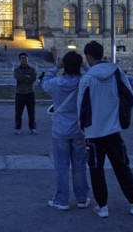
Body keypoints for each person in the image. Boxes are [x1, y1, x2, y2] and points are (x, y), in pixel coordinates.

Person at [77, 40, 133, 218]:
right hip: (113, 130)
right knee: (122, 167)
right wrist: (120, 117)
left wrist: (83, 129)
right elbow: (130, 97)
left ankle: (102, 207)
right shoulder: (116, 72)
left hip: (93, 133)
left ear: (89, 57)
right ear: (102, 54)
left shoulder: (87, 79)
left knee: (96, 169)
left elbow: (81, 108)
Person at [42, 52, 90, 211]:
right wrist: (85, 65)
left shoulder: (56, 83)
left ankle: (62, 200)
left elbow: (44, 82)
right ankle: (82, 198)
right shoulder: (85, 82)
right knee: (79, 165)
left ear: (64, 65)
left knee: (61, 166)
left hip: (61, 130)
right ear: (79, 65)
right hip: (79, 130)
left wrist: (56, 67)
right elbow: (95, 78)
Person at [14, 52, 37, 135]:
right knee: (18, 112)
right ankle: (18, 127)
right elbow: (18, 77)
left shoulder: (32, 69)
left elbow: (33, 78)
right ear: (19, 60)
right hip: (19, 93)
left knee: (32, 112)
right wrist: (27, 77)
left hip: (30, 93)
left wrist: (24, 77)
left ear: (28, 59)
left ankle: (33, 128)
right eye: (22, 58)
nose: (24, 60)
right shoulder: (16, 69)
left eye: (25, 58)